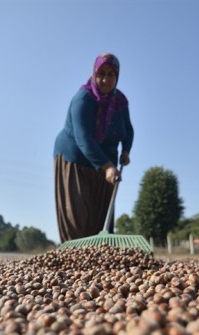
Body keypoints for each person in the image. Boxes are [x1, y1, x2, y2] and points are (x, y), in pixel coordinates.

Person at [53, 52, 134, 244]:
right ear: (94, 74)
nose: (105, 79)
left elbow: (128, 129)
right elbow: (83, 139)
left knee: (101, 213)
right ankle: (73, 261)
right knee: (78, 214)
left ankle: (99, 260)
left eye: (111, 74)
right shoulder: (83, 99)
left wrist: (125, 151)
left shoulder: (120, 101)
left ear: (117, 76)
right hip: (75, 159)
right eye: (101, 74)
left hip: (107, 159)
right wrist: (106, 166)